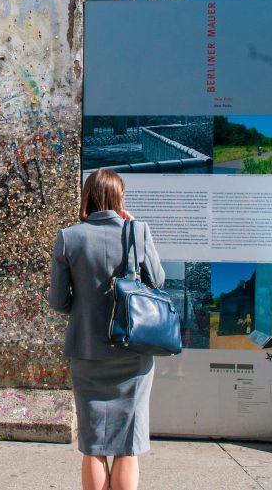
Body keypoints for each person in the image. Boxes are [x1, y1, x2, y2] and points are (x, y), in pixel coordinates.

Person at [49, 168, 165, 490]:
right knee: (128, 444)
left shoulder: (68, 237)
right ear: (119, 198)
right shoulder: (137, 231)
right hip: (133, 353)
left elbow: (58, 301)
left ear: (87, 197)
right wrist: (135, 228)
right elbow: (158, 281)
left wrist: (86, 309)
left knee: (93, 444)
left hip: (87, 354)